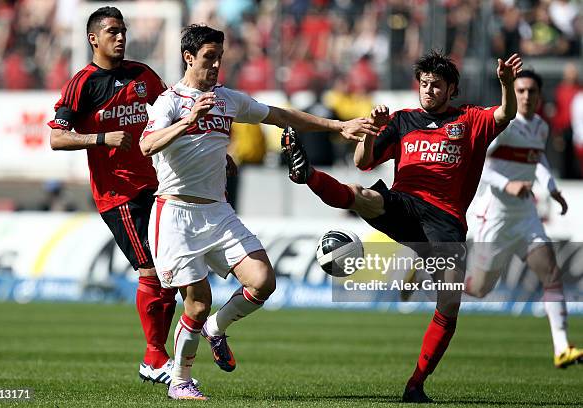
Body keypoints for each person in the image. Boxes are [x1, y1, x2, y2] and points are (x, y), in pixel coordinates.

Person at [139, 24, 379, 400]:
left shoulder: (227, 99)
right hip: (176, 214)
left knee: (263, 281)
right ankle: (181, 381)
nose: (217, 64)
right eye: (209, 57)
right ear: (189, 57)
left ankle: (217, 328)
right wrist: (188, 122)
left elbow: (280, 115)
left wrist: (338, 125)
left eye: (220, 57)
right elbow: (146, 146)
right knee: (197, 304)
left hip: (217, 211)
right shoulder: (170, 102)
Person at [282, 50, 522, 403]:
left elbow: (506, 114)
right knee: (364, 194)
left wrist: (506, 85)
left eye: (436, 85)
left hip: (445, 221)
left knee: (449, 305)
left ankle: (416, 384)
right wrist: (372, 132)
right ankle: (310, 175)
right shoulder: (402, 120)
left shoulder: (469, 120)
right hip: (405, 206)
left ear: (451, 89)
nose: (428, 91)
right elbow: (363, 162)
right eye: (424, 84)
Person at [47, 6, 177, 385]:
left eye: (123, 31)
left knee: (171, 272)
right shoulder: (83, 83)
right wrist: (101, 138)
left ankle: (158, 355)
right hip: (118, 196)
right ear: (94, 39)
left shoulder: (142, 75)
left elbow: (175, 112)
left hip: (157, 185)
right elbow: (57, 137)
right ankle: (155, 357)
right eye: (112, 32)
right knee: (151, 271)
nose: (121, 37)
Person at [467, 70, 583, 369]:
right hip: (494, 216)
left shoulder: (541, 127)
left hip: (526, 217)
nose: (526, 96)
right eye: (520, 91)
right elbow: (476, 163)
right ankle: (430, 275)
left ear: (539, 95)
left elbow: (538, 159)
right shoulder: (502, 127)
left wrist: (553, 189)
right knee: (480, 289)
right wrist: (508, 184)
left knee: (551, 274)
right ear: (512, 93)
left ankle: (561, 347)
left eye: (531, 91)